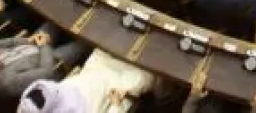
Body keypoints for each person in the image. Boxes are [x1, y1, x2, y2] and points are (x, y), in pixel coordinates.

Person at [15, 49, 158, 113]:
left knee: (106, 45)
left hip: (91, 72)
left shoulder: (27, 104)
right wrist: (114, 105)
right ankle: (165, 97)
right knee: (150, 75)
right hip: (113, 90)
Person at [0, 31, 90, 101]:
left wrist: (28, 40)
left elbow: (7, 42)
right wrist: (44, 45)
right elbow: (47, 71)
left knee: (53, 19)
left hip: (32, 45)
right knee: (84, 42)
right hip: (51, 61)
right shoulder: (7, 82)